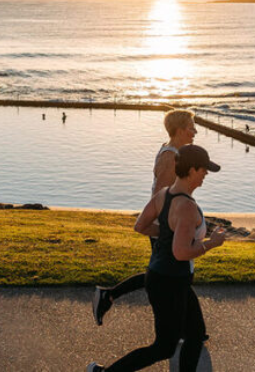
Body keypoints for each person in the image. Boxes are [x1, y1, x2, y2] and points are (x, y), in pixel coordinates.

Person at [87, 145, 226, 372]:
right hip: (171, 283)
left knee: (196, 334)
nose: (205, 175)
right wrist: (212, 243)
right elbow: (181, 252)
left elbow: (140, 225)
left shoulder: (164, 195)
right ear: (192, 170)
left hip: (164, 278)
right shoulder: (188, 208)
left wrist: (170, 234)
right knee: (164, 348)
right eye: (204, 170)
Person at [92, 109, 197, 325]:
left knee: (172, 274)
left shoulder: (174, 152)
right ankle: (110, 295)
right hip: (165, 225)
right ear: (179, 130)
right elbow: (162, 194)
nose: (195, 131)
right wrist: (171, 226)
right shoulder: (171, 157)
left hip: (169, 223)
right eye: (190, 127)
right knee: (169, 275)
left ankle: (193, 327)